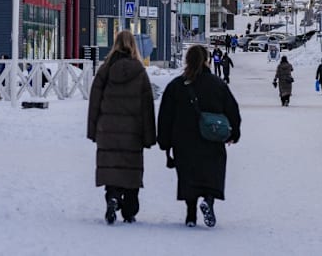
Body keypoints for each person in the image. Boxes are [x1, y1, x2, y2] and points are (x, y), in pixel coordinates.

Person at [157, 45, 242, 228]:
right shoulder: (218, 85)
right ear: (206, 61)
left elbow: (165, 115)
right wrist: (234, 133)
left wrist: (164, 141)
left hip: (183, 140)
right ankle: (209, 200)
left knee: (189, 176)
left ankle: (190, 214)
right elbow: (232, 110)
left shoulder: (176, 86)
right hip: (211, 139)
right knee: (211, 172)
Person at [87, 30, 156, 225]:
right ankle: (129, 210)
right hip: (133, 132)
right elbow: (147, 106)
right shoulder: (139, 72)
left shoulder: (105, 70)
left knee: (112, 169)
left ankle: (112, 197)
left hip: (107, 130)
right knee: (131, 171)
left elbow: (94, 102)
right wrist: (150, 136)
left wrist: (93, 131)